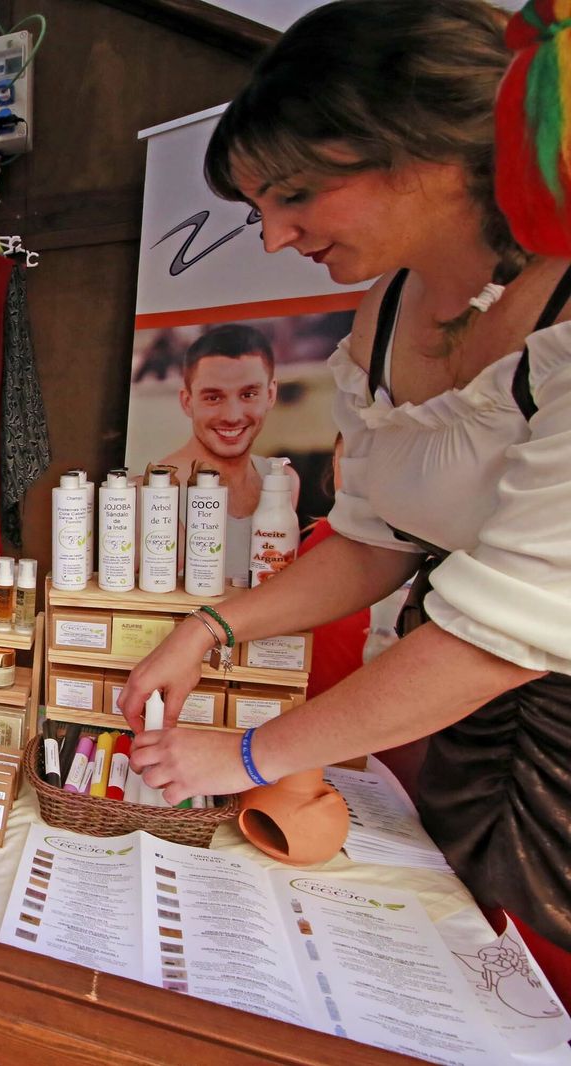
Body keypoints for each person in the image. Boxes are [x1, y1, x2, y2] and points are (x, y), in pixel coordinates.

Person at [122, 0, 571, 995]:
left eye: (293, 195)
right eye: (256, 210)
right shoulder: (387, 312)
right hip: (454, 734)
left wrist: (244, 752)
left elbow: (502, 634)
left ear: (420, 151)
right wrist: (206, 625)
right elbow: (374, 541)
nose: (276, 237)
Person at [154, 323, 298, 586]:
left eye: (248, 394)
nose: (232, 416)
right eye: (213, 398)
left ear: (271, 393)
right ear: (187, 401)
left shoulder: (284, 481)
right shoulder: (156, 491)